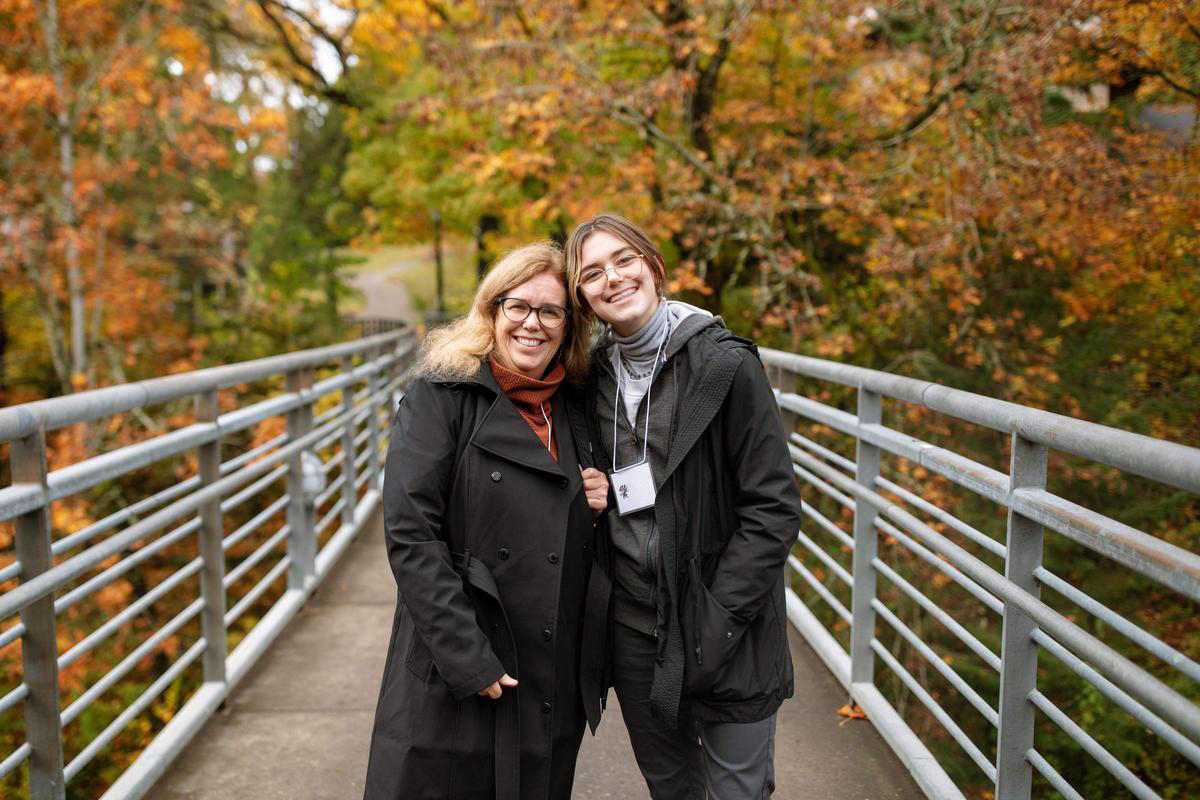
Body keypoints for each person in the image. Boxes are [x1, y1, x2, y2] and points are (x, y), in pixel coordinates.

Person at [565, 214, 803, 799]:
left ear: (654, 267)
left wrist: (719, 617)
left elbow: (773, 507)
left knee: (737, 791)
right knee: (672, 788)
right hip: (635, 626)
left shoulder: (725, 364)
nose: (613, 278)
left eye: (624, 260)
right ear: (583, 298)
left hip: (726, 623)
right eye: (593, 272)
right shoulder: (588, 379)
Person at [364, 242, 611, 800]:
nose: (533, 324)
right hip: (459, 660)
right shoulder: (442, 394)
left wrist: (598, 495)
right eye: (518, 306)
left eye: (551, 312)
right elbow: (410, 533)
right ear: (492, 311)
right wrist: (466, 656)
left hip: (548, 662)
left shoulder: (575, 403)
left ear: (569, 326)